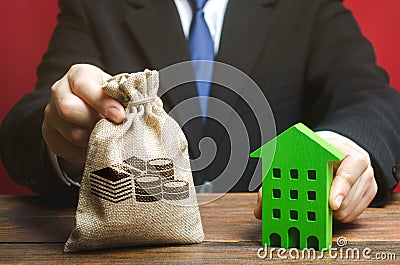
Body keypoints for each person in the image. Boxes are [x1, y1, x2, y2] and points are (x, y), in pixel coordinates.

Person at [1, 0, 399, 224]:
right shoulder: (96, 7)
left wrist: (343, 147)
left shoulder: (307, 8)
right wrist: (60, 131)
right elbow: (29, 115)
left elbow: (372, 99)